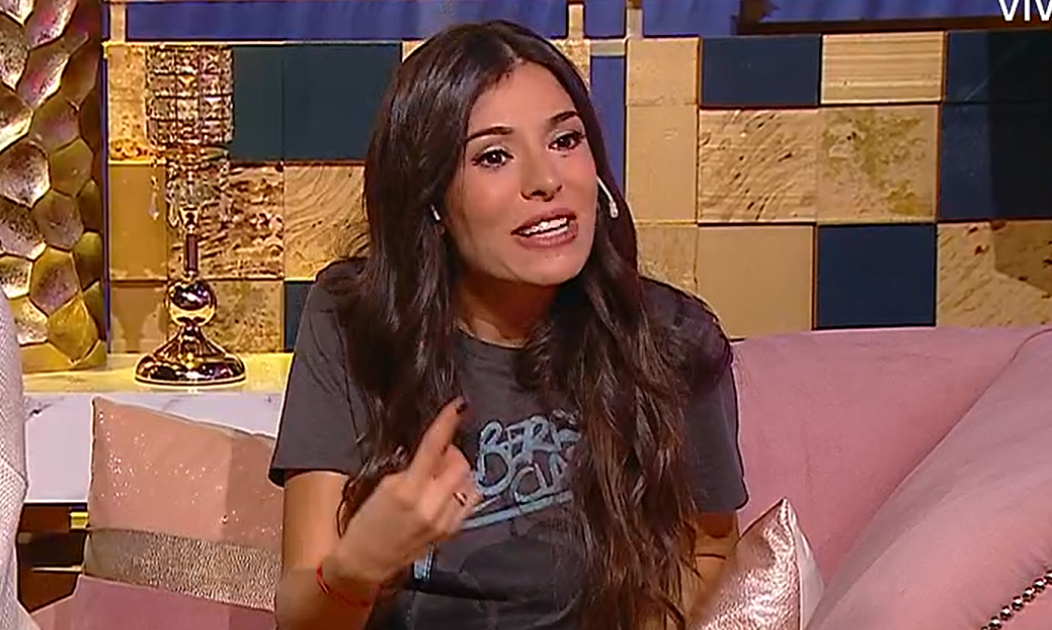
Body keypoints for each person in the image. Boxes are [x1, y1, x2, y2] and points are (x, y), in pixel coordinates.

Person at [268, 19, 747, 630]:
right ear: (432, 199)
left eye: (565, 140)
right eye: (494, 156)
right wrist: (357, 568)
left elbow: (709, 544)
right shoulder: (352, 322)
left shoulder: (671, 339)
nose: (546, 181)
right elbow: (301, 616)